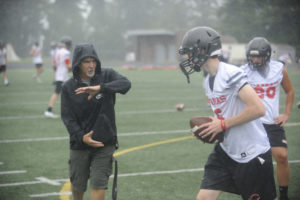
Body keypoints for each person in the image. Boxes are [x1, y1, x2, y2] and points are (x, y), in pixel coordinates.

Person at [178, 26, 277, 200]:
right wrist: (210, 126)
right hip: (225, 151)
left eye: (189, 52)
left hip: (252, 153)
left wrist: (222, 124)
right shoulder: (208, 80)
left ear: (203, 50)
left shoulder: (230, 73)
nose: (186, 58)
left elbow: (258, 109)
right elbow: (224, 113)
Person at [61, 43, 131, 200]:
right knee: (77, 186)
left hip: (104, 143)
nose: (91, 65)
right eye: (86, 61)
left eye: (94, 61)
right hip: (79, 144)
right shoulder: (68, 87)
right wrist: (81, 137)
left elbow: (126, 84)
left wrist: (101, 88)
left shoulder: (107, 75)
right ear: (77, 63)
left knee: (99, 184)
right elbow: (68, 118)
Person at [241, 37, 294, 200]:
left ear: (267, 55)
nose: (255, 60)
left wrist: (286, 114)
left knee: (282, 157)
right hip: (251, 123)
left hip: (271, 122)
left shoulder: (279, 69)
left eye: (258, 56)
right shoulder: (243, 71)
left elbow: (289, 91)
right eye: (252, 56)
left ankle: (283, 195)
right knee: (255, 163)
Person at [44, 37, 72, 118]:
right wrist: (75, 68)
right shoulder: (66, 52)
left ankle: (67, 110)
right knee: (57, 93)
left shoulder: (57, 52)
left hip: (60, 75)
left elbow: (54, 65)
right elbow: (67, 65)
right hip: (62, 76)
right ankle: (49, 110)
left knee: (69, 92)